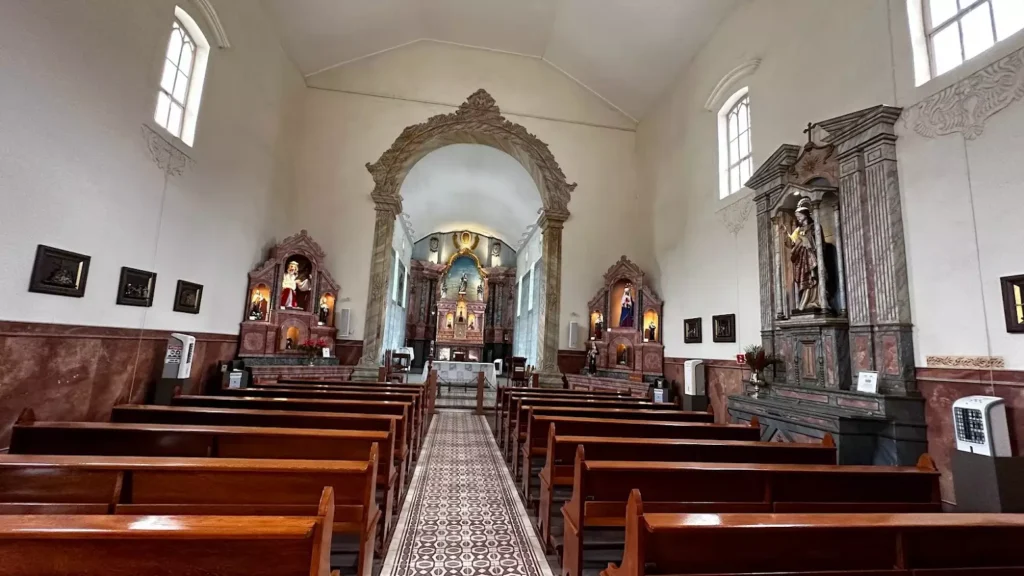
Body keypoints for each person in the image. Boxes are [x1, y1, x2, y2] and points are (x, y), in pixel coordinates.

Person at [783, 198, 819, 311]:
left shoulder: (814, 227)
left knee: (812, 278)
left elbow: (818, 242)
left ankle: (814, 300)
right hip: (800, 259)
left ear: (805, 215)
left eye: (799, 215)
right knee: (803, 279)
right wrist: (786, 235)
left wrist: (805, 240)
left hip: (810, 256)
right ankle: (804, 301)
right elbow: (791, 243)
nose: (798, 218)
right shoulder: (798, 230)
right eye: (797, 216)